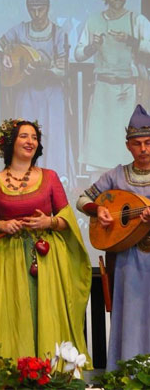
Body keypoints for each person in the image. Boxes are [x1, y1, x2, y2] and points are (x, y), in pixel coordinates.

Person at [0, 119, 91, 362]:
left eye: (34, 137)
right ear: (10, 142)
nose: (30, 141)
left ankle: (49, 371)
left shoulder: (50, 178)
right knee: (11, 315)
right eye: (24, 136)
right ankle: (12, 372)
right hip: (6, 262)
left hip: (46, 259)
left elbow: (66, 219)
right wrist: (1, 225)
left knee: (46, 313)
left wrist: (48, 223)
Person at [77, 104, 150, 370]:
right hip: (128, 260)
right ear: (128, 145)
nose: (143, 149)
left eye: (148, 143)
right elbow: (82, 198)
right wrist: (100, 209)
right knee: (130, 316)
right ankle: (128, 375)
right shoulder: (117, 175)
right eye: (137, 144)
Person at [0, 0, 71, 182]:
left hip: (51, 91)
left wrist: (44, 67)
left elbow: (62, 69)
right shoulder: (20, 30)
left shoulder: (58, 33)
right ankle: (24, 175)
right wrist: (5, 57)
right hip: (26, 90)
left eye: (40, 9)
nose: (37, 14)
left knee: (52, 132)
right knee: (25, 134)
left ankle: (55, 177)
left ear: (47, 8)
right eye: (33, 9)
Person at [75, 0, 150, 171]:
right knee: (100, 140)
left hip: (127, 89)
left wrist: (130, 40)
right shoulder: (93, 20)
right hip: (103, 89)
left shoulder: (136, 20)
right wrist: (93, 46)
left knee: (125, 139)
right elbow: (78, 54)